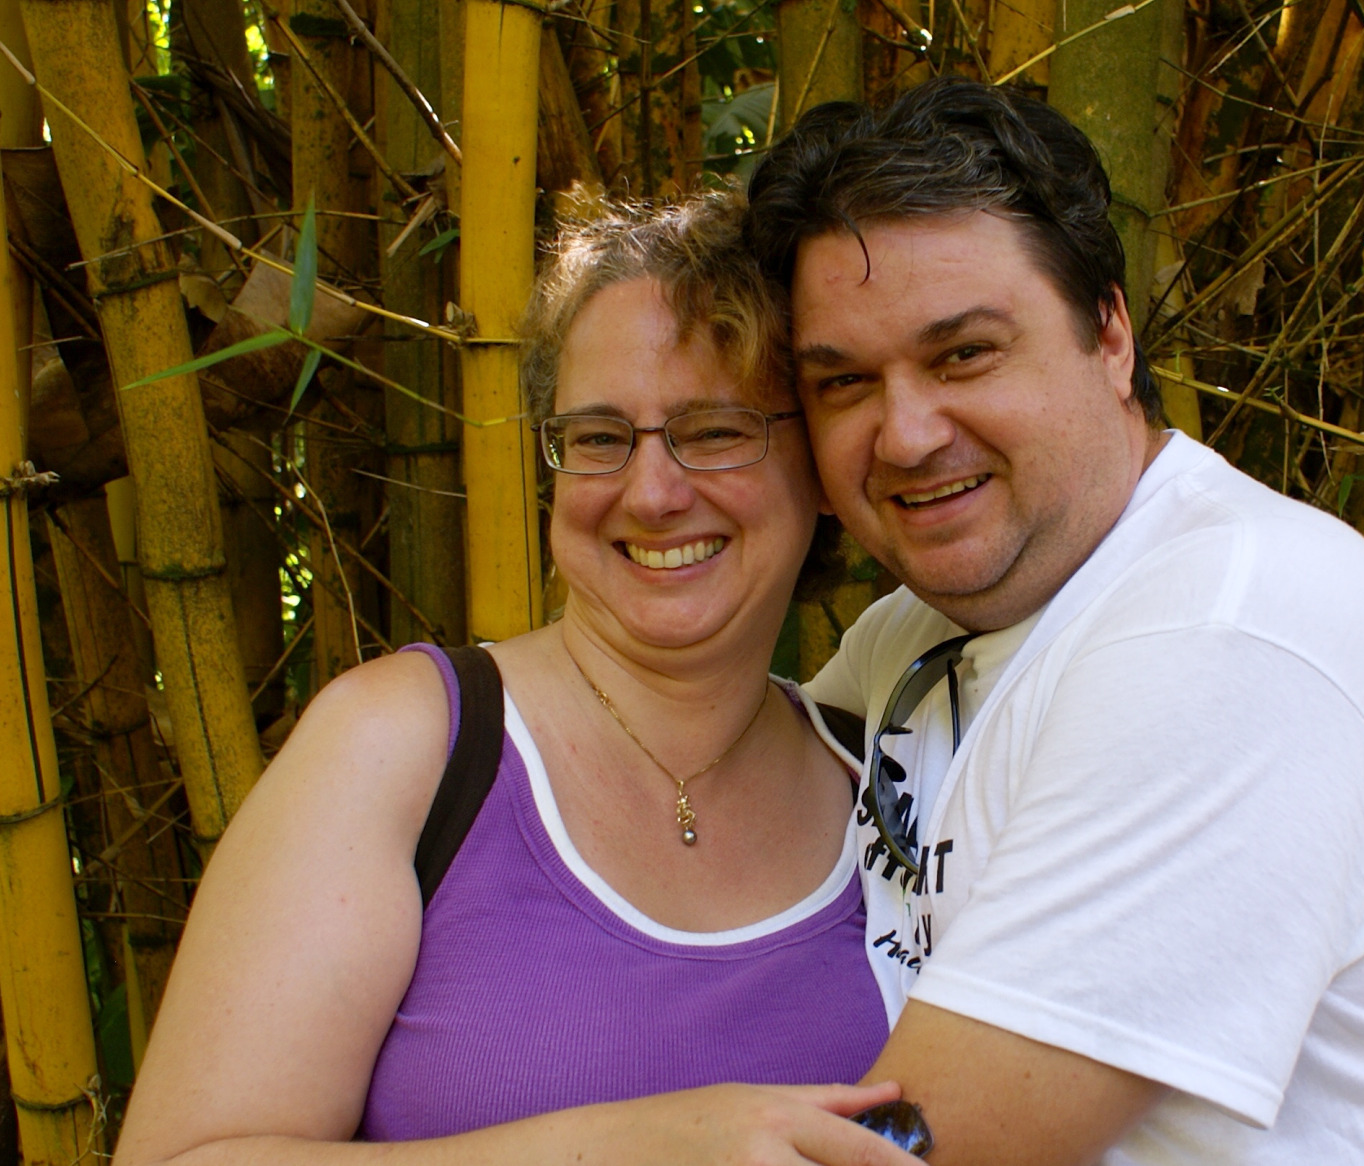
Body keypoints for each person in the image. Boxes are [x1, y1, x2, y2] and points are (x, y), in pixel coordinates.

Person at [746, 77, 1364, 1164]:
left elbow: (915, 1152)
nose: (904, 434)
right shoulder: (907, 639)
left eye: (964, 354)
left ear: (1111, 333)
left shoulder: (1232, 628)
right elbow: (676, 852)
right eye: (845, 380)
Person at [110, 193, 922, 1166]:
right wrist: (640, 1147)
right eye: (596, 436)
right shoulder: (407, 746)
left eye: (714, 430)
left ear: (823, 466)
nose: (652, 491)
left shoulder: (885, 779)